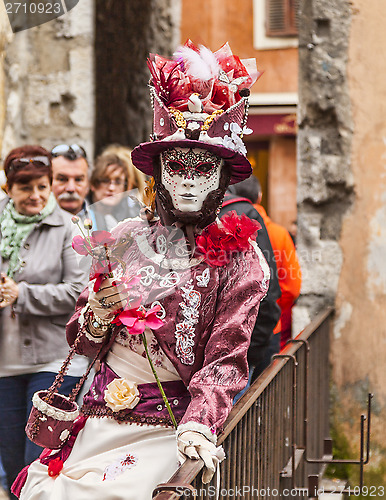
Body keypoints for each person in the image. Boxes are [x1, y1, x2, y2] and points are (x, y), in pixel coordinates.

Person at [14, 41, 269, 499]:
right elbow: (81, 339)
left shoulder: (242, 259)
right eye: (177, 166)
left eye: (202, 168)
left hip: (170, 427)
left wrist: (198, 427)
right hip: (96, 416)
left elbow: (225, 360)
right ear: (159, 174)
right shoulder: (129, 237)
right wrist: (96, 312)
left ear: (223, 177)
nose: (188, 180)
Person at [0, 145, 87, 499]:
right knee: (9, 458)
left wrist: (23, 294)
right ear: (9, 189)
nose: (35, 195)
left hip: (54, 360)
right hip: (5, 361)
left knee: (37, 462)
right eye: (25, 188)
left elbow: (78, 293)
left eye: (41, 186)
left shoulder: (69, 227)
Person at [232, 175, 302, 351]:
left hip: (233, 328)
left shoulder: (221, 229)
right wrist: (276, 307)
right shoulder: (279, 234)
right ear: (260, 196)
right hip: (270, 325)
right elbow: (292, 287)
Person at [220, 189, 281, 384]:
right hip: (243, 348)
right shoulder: (245, 211)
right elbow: (272, 291)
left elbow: (265, 287)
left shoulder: (241, 213)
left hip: (242, 347)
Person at [87, 145, 146, 231]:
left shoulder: (134, 217)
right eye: (105, 180)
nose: (111, 187)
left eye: (118, 182)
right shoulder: (83, 213)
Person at [50, 144, 90, 218]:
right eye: (62, 179)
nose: (71, 188)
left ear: (88, 184)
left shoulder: (107, 224)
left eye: (78, 180)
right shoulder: (32, 225)